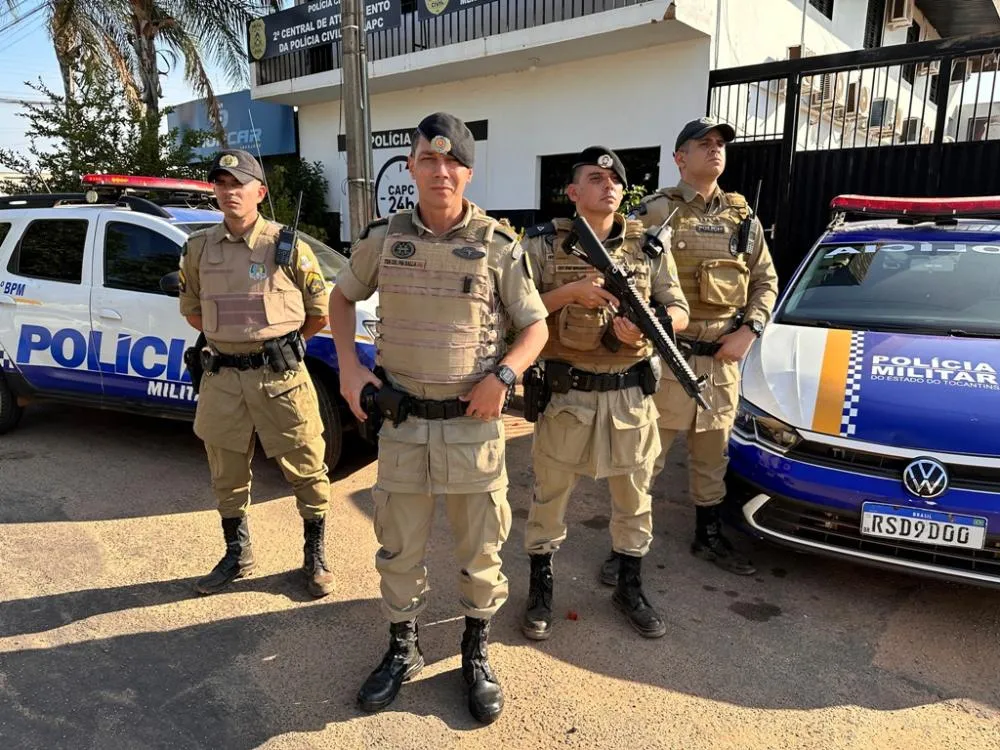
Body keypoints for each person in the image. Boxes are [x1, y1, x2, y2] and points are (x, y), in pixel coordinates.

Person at [328, 112, 548, 724]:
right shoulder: (383, 237)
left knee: (481, 550)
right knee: (398, 548)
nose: (440, 170)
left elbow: (536, 326)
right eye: (428, 159)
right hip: (401, 425)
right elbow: (340, 298)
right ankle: (403, 646)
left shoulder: (500, 245)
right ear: (412, 167)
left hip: (472, 425)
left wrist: (503, 376)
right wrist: (349, 369)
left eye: (451, 162)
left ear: (468, 173)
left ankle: (474, 650)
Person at [518, 147, 690, 641]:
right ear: (573, 193)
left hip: (630, 397)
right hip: (566, 394)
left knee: (634, 499)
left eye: (615, 178)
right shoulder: (544, 246)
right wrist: (569, 295)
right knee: (549, 498)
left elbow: (677, 307)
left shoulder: (648, 247)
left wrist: (653, 325)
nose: (609, 184)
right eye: (595, 178)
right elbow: (513, 309)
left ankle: (629, 586)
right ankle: (541, 588)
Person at [612, 117, 779, 578]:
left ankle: (708, 535)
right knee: (646, 458)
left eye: (720, 143)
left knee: (712, 456)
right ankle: (625, 547)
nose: (715, 150)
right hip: (669, 358)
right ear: (679, 157)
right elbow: (625, 276)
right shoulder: (655, 211)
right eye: (703, 144)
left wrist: (751, 330)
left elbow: (765, 281)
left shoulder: (743, 216)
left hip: (722, 359)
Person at [178, 149, 335, 598]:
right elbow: (192, 312)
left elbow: (319, 310)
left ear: (259, 192)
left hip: (278, 378)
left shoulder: (286, 246)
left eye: (238, 184)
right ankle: (237, 554)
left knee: (307, 467)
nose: (229, 192)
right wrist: (230, 336)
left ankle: (315, 555)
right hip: (223, 378)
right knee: (225, 472)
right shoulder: (198, 248)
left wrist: (290, 341)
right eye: (222, 184)